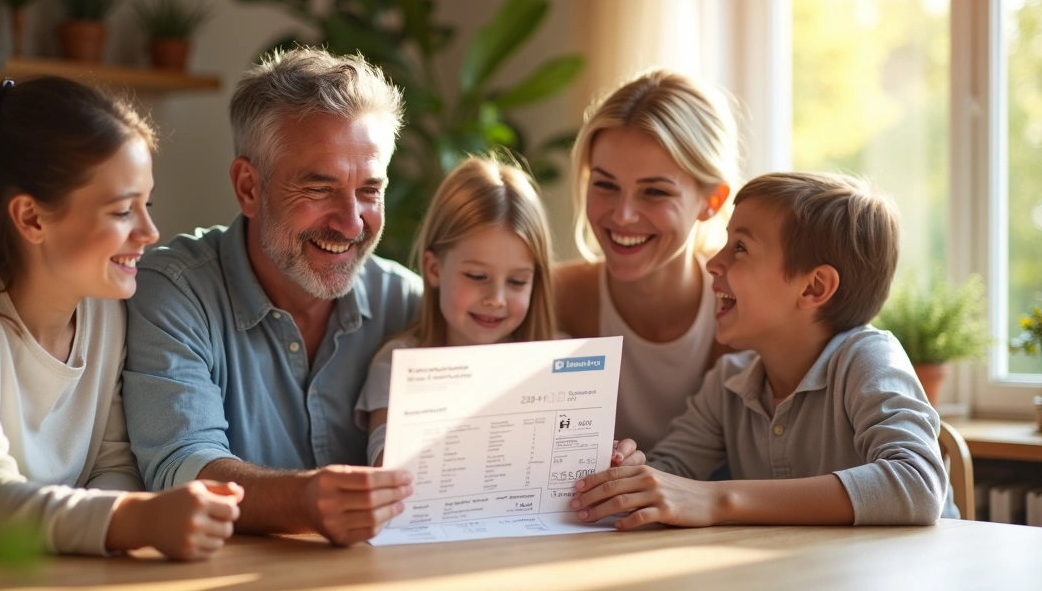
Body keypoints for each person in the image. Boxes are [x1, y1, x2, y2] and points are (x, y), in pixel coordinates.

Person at [0, 77, 243, 560]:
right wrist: (134, 519)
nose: (150, 232)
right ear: (32, 218)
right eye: (122, 211)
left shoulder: (104, 315)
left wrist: (131, 515)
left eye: (147, 204)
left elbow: (112, 464)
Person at [121, 48, 422, 547]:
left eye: (370, 190)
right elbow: (181, 468)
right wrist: (302, 501)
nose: (351, 223)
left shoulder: (408, 303)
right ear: (248, 187)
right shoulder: (173, 292)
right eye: (320, 188)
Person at [571, 172, 951, 527]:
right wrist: (629, 474)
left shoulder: (867, 358)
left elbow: (917, 484)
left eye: (740, 248)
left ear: (813, 288)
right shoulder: (729, 382)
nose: (714, 263)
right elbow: (674, 478)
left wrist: (719, 500)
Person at [552, 69, 741, 452]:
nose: (622, 216)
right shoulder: (550, 297)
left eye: (654, 192)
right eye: (605, 185)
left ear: (712, 202)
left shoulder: (747, 315)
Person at [354, 157, 558, 466]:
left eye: (517, 281)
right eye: (477, 277)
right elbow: (386, 470)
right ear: (434, 269)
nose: (496, 298)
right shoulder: (396, 366)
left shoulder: (557, 365)